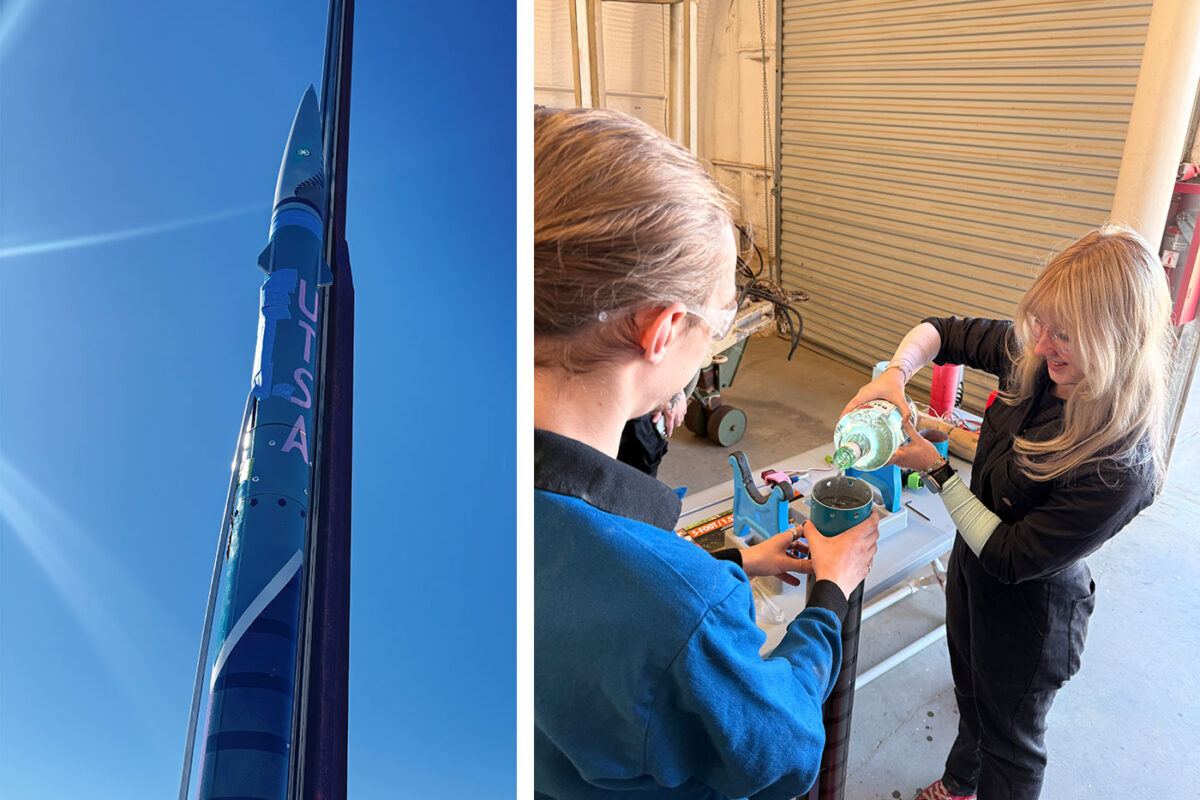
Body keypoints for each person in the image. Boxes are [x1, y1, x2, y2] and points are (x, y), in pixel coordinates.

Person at [534, 106, 880, 800]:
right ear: (661, 329)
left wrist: (731, 563)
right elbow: (784, 753)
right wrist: (831, 593)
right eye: (718, 320)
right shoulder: (679, 610)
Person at [839, 225, 1174, 800]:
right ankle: (960, 783)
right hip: (972, 572)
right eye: (1043, 325)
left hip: (1029, 613)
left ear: (1116, 341)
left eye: (1064, 335)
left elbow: (1010, 557)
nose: (1041, 347)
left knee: (1011, 743)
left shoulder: (1120, 465)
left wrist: (937, 469)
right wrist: (895, 374)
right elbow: (943, 332)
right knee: (971, 695)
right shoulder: (1042, 357)